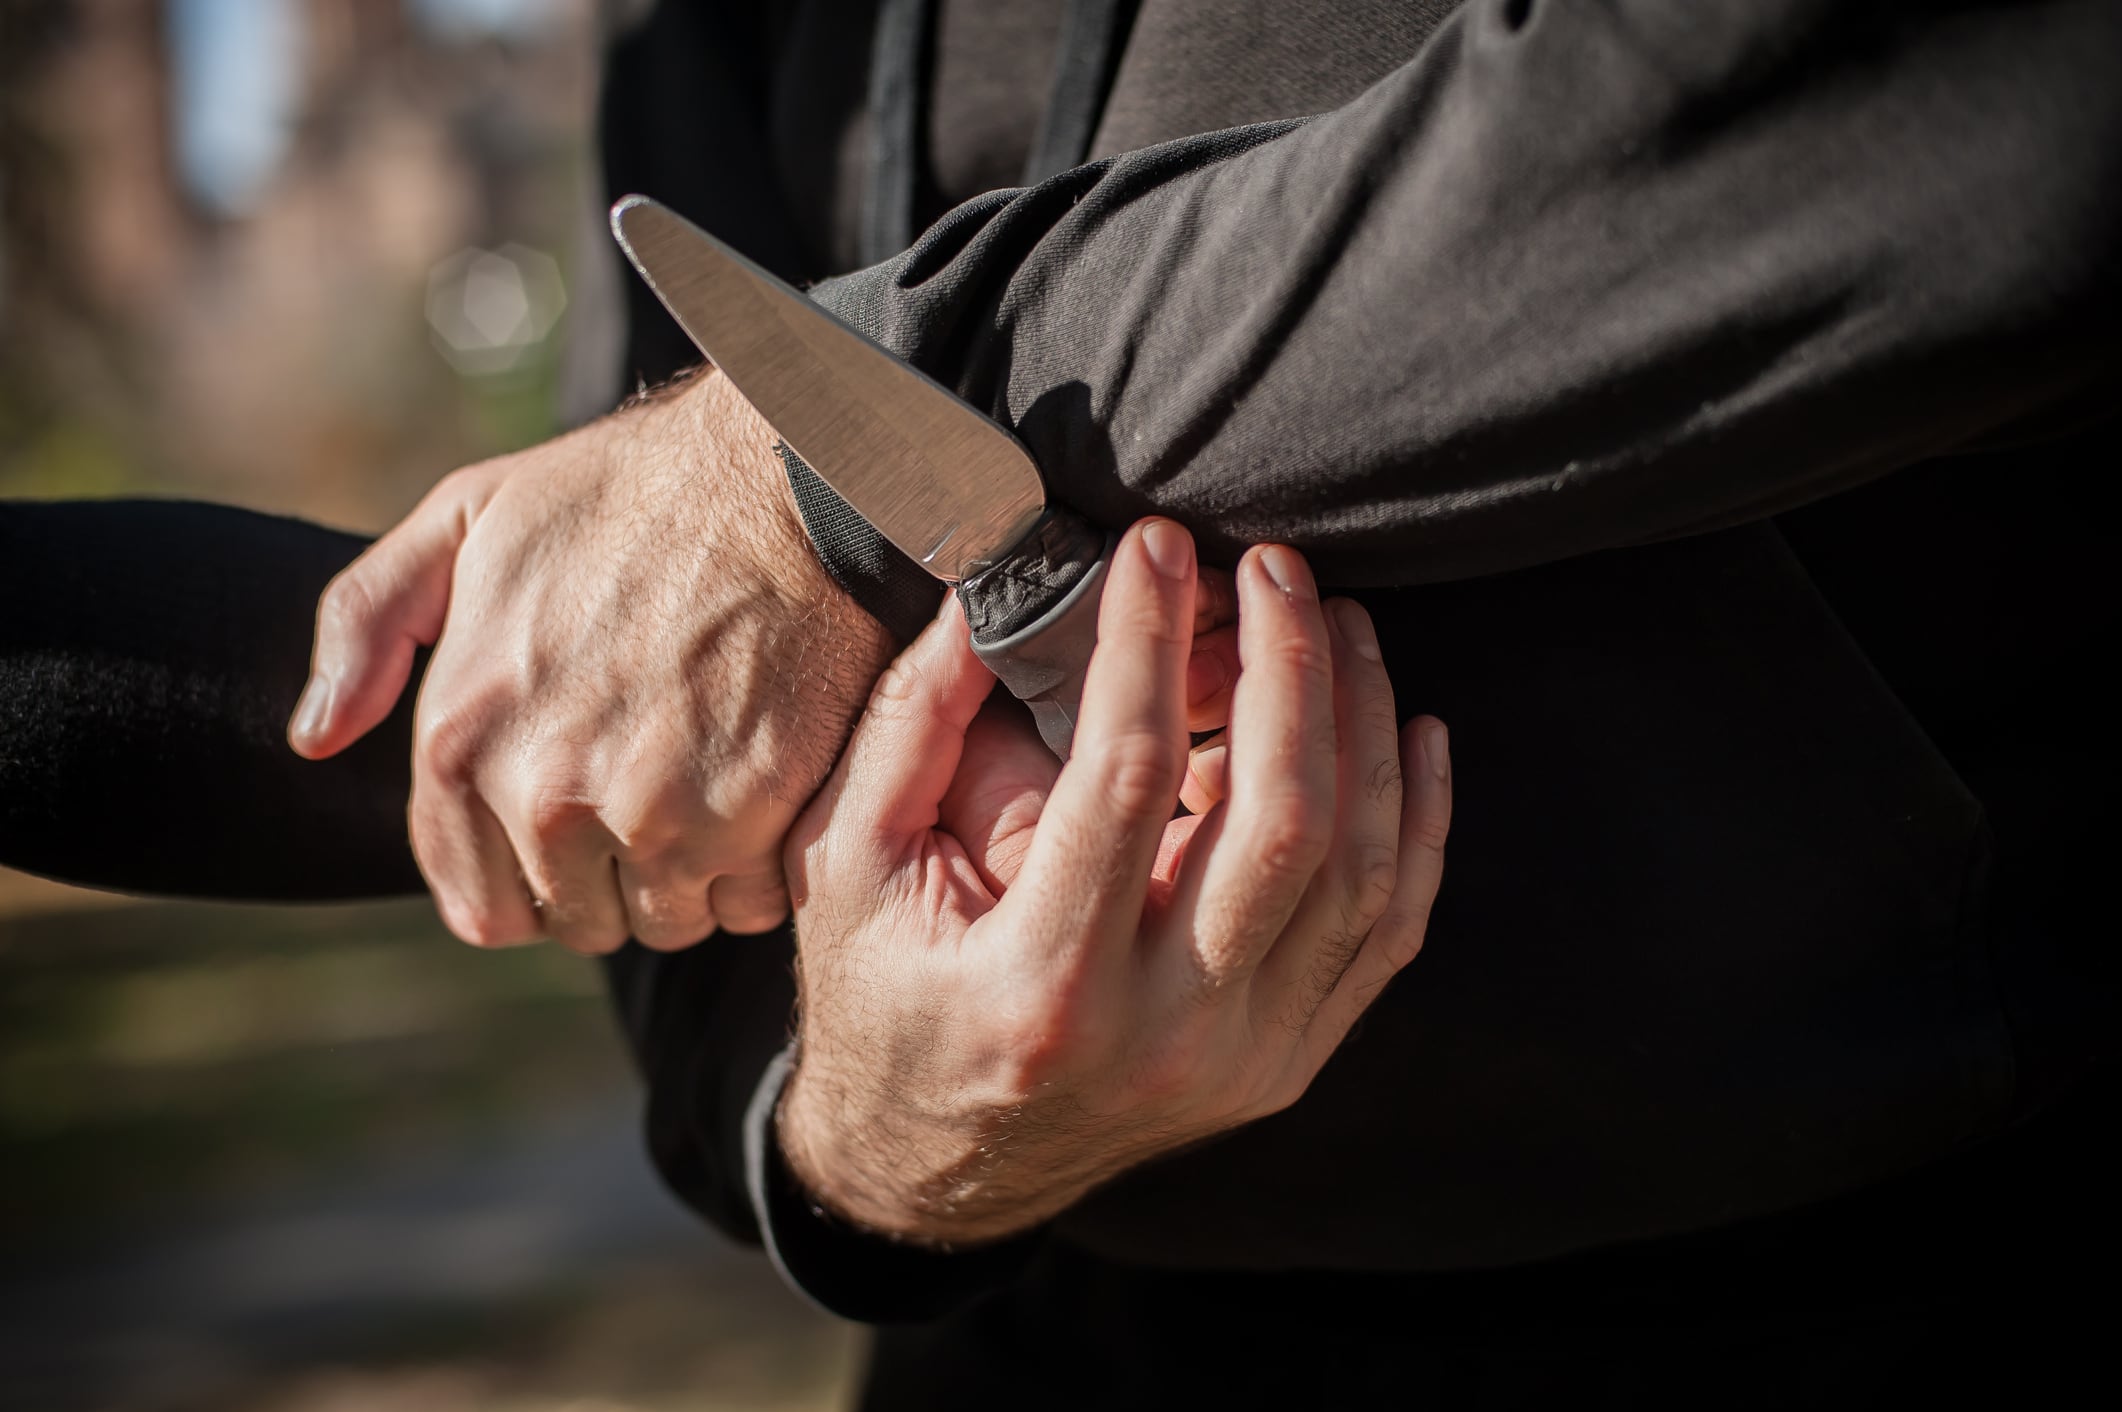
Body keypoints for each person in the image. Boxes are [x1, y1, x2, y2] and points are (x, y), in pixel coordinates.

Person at [3, 0, 2116, 1403]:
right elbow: (640, 721)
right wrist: (873, 1140)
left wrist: (822, 468)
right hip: (1039, 1338)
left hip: (1879, 1231)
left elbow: (1949, 107)